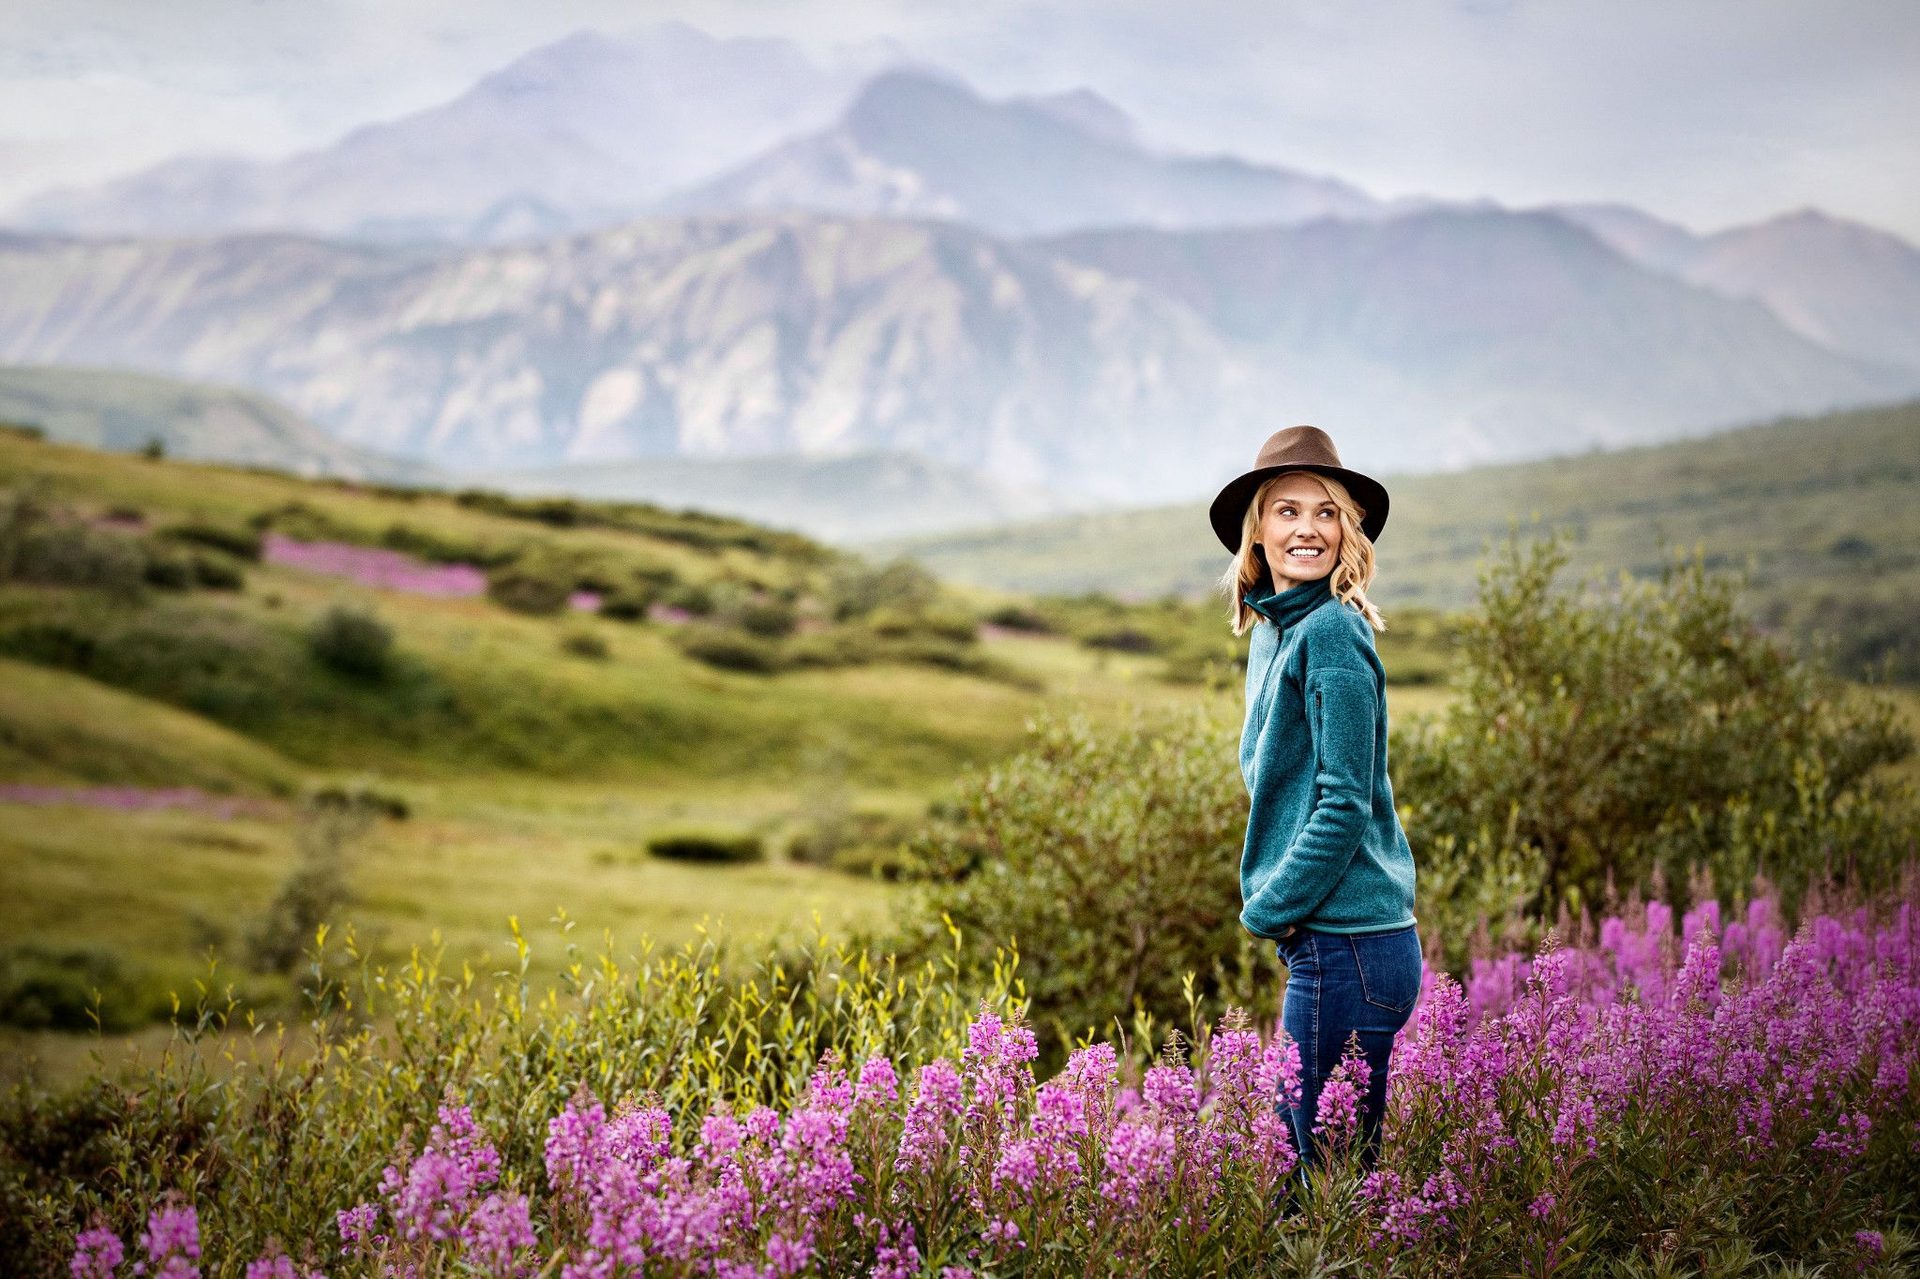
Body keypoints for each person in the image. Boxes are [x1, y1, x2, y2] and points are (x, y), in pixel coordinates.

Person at [1207, 424, 1421, 1176]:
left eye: (1326, 512)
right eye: (1288, 510)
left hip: (1352, 943)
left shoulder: (1332, 633)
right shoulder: (1278, 629)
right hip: (1329, 940)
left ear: (1347, 532)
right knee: (1309, 1165)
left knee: (1323, 1177)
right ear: (1258, 531)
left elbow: (1342, 805)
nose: (1308, 528)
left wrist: (1267, 908)